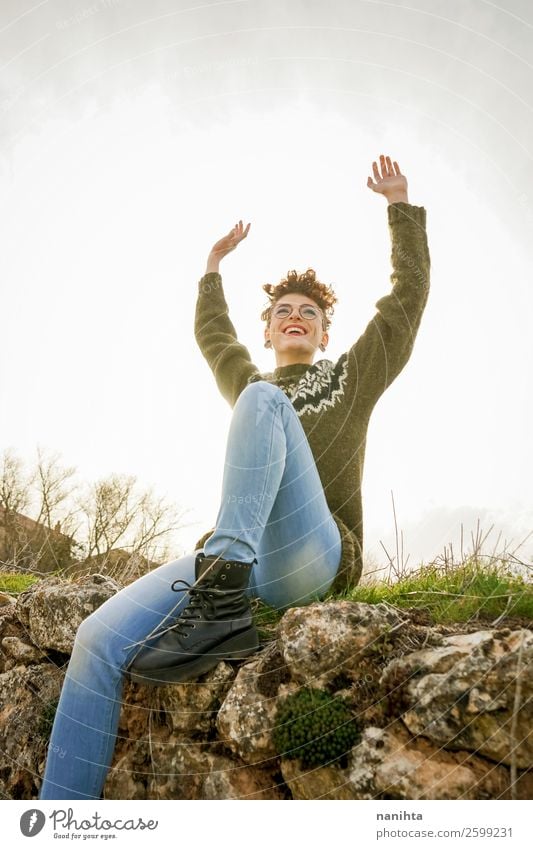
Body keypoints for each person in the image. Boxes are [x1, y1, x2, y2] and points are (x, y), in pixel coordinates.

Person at [38, 154, 430, 799]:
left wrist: (399, 207)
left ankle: (218, 600)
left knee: (262, 400)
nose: (294, 316)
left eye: (308, 311)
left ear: (327, 333)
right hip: (239, 568)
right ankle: (58, 825)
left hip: (318, 556)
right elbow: (214, 336)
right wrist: (213, 268)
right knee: (95, 639)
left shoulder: (350, 379)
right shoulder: (253, 385)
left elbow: (406, 302)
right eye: (282, 311)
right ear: (269, 329)